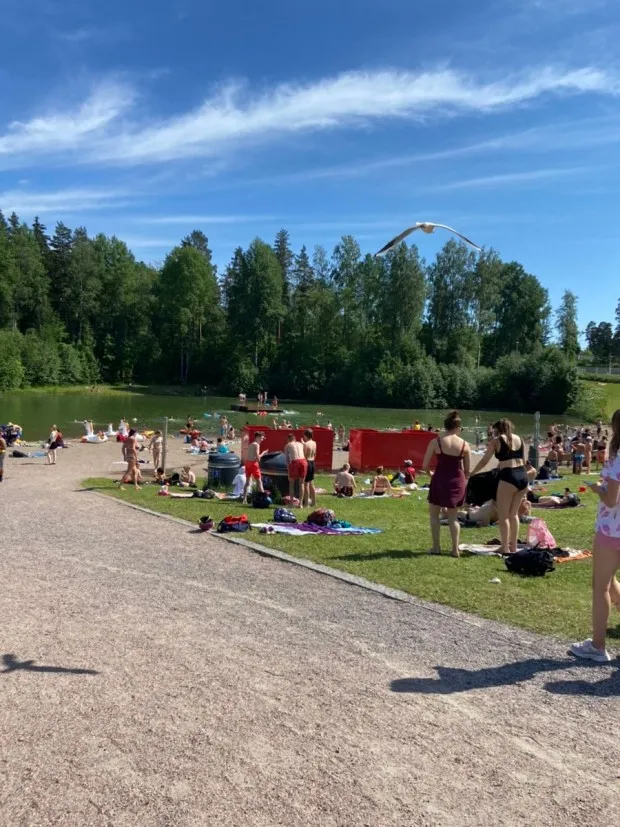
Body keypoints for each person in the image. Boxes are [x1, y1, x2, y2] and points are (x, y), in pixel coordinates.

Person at [570, 409, 620, 663]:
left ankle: (598, 646)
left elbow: (611, 500)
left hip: (612, 529)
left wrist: (598, 488)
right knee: (610, 581)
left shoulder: (618, 459)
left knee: (601, 586)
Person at [473, 418, 527, 556]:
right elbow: (523, 460)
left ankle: (504, 547)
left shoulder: (496, 441)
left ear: (498, 429)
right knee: (514, 514)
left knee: (503, 516)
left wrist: (472, 472)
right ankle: (513, 546)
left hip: (508, 476)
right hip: (522, 476)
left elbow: (484, 460)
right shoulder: (519, 439)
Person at [422, 411, 470, 557]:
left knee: (434, 515)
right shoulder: (465, 444)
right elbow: (467, 471)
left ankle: (436, 547)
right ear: (457, 427)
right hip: (457, 479)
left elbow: (425, 465)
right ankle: (455, 549)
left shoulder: (435, 441)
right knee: (453, 517)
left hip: (440, 478)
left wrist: (430, 474)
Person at [243, 431, 266, 504]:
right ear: (257, 437)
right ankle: (263, 498)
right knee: (259, 481)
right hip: (253, 464)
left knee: (247, 482)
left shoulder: (251, 444)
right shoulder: (257, 445)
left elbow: (250, 455)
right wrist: (263, 454)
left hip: (247, 463)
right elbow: (257, 456)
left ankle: (244, 499)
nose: (262, 440)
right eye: (261, 438)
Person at [285, 433, 307, 503]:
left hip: (295, 462)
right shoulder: (300, 444)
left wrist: (288, 470)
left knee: (291, 483)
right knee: (302, 483)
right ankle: (300, 504)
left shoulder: (287, 445)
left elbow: (287, 459)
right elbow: (304, 453)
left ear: (288, 439)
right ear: (295, 439)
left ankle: (291, 503)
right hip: (303, 461)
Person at [302, 429, 317, 508]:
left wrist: (303, 444)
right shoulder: (314, 443)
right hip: (312, 462)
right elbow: (314, 454)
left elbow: (304, 455)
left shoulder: (306, 444)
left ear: (306, 435)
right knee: (311, 483)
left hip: (307, 462)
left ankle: (306, 503)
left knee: (306, 484)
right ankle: (314, 502)